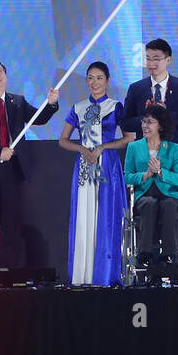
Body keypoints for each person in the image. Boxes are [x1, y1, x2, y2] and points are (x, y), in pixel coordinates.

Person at [0, 59, 59, 270]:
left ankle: (8, 273)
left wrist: (51, 103)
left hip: (12, 172)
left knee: (11, 224)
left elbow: (38, 118)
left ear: (6, 75)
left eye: (0, 71)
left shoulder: (17, 102)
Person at [58, 62, 132, 285]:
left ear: (107, 80)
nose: (95, 82)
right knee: (84, 215)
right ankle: (82, 275)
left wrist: (102, 147)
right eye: (90, 78)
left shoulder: (116, 106)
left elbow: (129, 137)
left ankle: (105, 274)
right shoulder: (78, 107)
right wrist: (82, 148)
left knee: (106, 216)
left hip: (107, 165)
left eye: (99, 78)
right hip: (84, 167)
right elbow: (63, 140)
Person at [120, 39, 178, 174]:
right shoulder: (136, 88)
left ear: (168, 60)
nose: (151, 64)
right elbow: (125, 123)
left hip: (174, 160)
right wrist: (147, 119)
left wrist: (167, 114)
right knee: (143, 195)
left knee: (176, 195)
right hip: (143, 160)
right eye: (148, 59)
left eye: (156, 59)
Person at [123, 103, 178, 266]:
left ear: (161, 126)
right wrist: (146, 174)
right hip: (144, 193)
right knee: (149, 204)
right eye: (144, 121)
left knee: (170, 205)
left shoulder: (174, 149)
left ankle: (170, 254)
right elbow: (127, 176)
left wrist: (160, 172)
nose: (145, 125)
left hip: (168, 193)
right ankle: (144, 254)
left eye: (150, 122)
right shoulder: (134, 147)